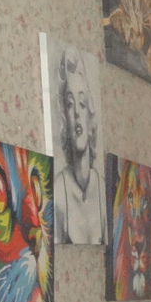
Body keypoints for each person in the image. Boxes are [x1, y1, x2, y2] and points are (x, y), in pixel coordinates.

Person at [51, 47, 102, 243]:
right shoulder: (58, 190)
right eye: (70, 104)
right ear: (65, 119)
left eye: (81, 104)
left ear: (90, 118)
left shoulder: (102, 187)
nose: (77, 114)